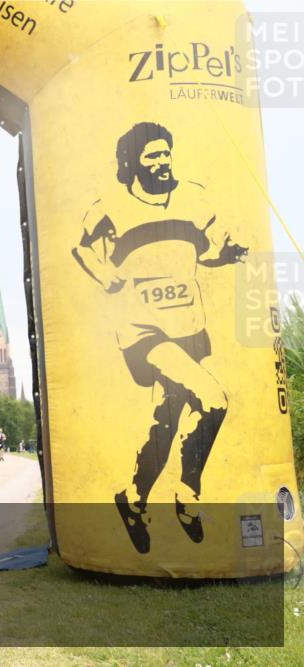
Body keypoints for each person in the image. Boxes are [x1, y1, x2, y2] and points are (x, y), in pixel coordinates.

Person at [72, 122, 246, 554]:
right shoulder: (110, 206)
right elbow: (83, 249)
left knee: (165, 423)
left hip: (189, 325)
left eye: (165, 153)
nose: (162, 161)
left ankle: (131, 500)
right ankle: (187, 496)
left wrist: (227, 254)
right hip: (142, 329)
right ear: (132, 162)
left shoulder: (193, 198)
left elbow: (207, 252)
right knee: (214, 398)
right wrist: (106, 275)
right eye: (151, 155)